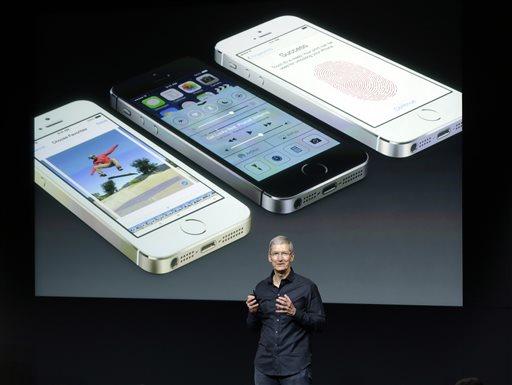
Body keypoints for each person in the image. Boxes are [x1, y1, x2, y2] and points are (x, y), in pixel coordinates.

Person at [246, 235, 326, 385]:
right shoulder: (261, 288)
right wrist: (252, 312)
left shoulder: (307, 287)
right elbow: (253, 327)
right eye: (276, 253)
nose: (280, 258)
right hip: (265, 367)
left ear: (292, 256)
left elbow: (320, 324)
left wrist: (295, 312)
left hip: (295, 367)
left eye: (284, 253)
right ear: (269, 257)